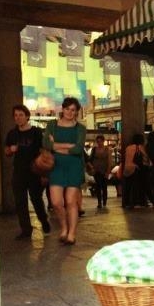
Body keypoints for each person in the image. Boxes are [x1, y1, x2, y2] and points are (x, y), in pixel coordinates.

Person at [43, 97, 87, 245]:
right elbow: (46, 144)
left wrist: (56, 145)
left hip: (74, 166)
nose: (69, 112)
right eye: (67, 109)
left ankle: (71, 234)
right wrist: (68, 146)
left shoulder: (80, 128)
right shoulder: (52, 125)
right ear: (63, 109)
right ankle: (64, 227)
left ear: (76, 112)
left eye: (73, 110)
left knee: (70, 201)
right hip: (56, 166)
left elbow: (78, 149)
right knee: (56, 202)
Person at [4, 104, 51, 239]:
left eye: (21, 115)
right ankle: (26, 230)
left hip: (34, 171)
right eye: (15, 115)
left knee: (36, 199)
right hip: (18, 172)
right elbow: (6, 151)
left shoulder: (36, 132)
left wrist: (45, 173)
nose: (18, 118)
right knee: (20, 202)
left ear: (27, 116)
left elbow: (44, 151)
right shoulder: (12, 134)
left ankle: (44, 221)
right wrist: (10, 150)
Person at [121, 132, 152, 208]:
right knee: (138, 187)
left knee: (128, 187)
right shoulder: (141, 148)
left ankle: (127, 203)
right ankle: (138, 202)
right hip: (136, 169)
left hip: (127, 169)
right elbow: (146, 158)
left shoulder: (128, 147)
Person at [88, 134, 113, 209]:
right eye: (98, 141)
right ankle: (99, 202)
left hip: (104, 170)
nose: (99, 143)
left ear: (103, 141)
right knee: (98, 186)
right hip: (96, 170)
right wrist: (92, 167)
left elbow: (109, 161)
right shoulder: (94, 149)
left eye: (100, 141)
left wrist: (108, 172)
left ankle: (104, 201)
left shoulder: (107, 150)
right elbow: (90, 159)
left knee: (104, 186)